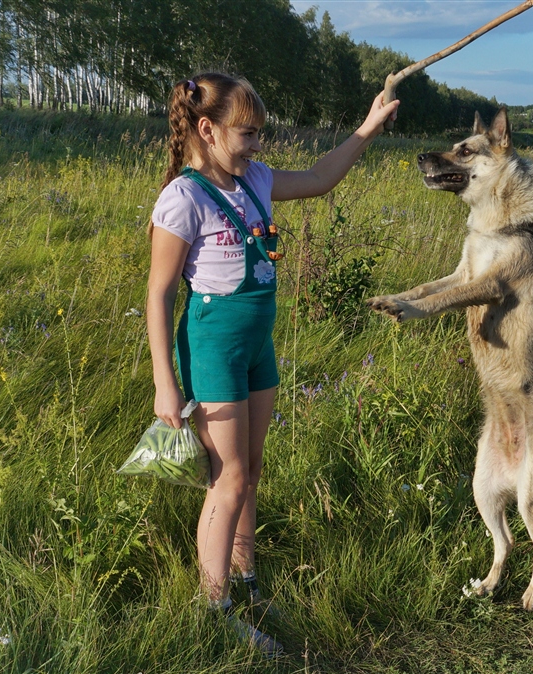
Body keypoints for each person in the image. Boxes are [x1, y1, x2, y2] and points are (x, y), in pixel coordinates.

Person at [146, 71, 399, 656]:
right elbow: (158, 294)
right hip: (212, 347)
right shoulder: (182, 198)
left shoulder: (254, 180)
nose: (258, 146)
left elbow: (317, 178)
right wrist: (166, 385)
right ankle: (214, 608)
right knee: (227, 478)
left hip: (258, 344)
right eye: (247, 135)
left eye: (261, 134)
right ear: (207, 130)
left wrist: (367, 127)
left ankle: (245, 580)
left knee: (251, 469)